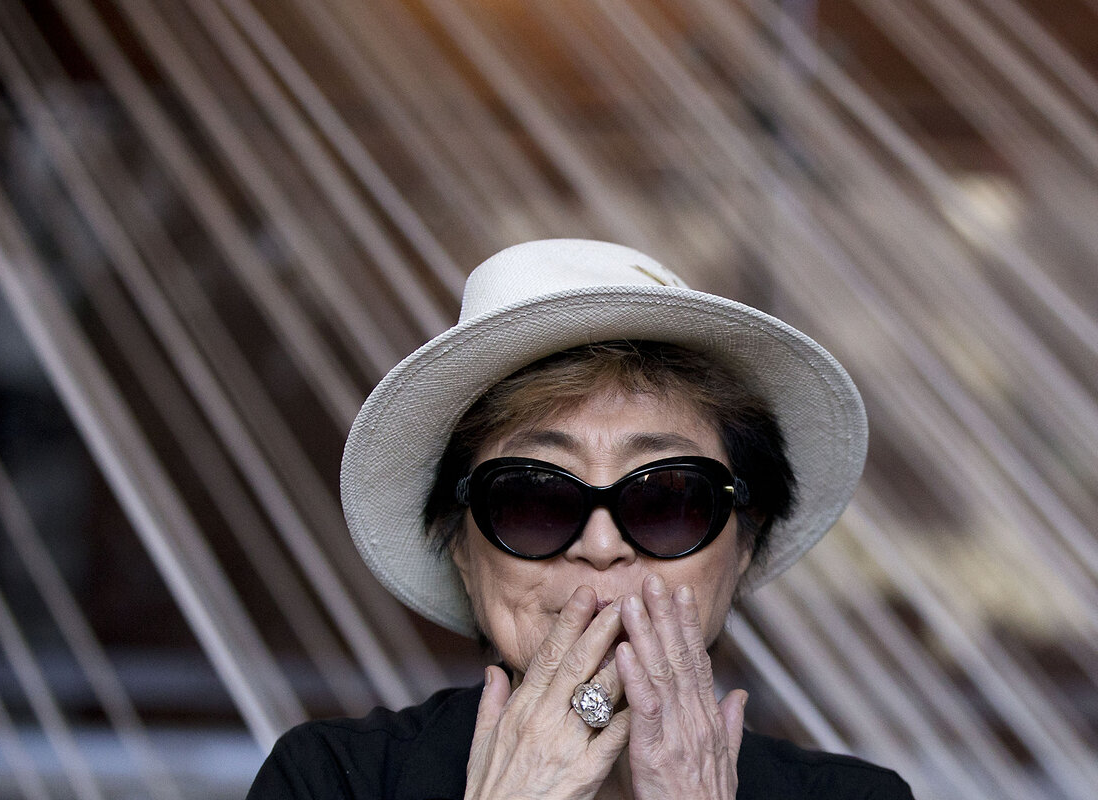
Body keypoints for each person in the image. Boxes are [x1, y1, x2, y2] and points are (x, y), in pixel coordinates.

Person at [247, 239, 914, 799]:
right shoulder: (330, 781)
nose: (602, 546)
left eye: (666, 498)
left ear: (745, 542)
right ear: (461, 547)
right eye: (536, 499)